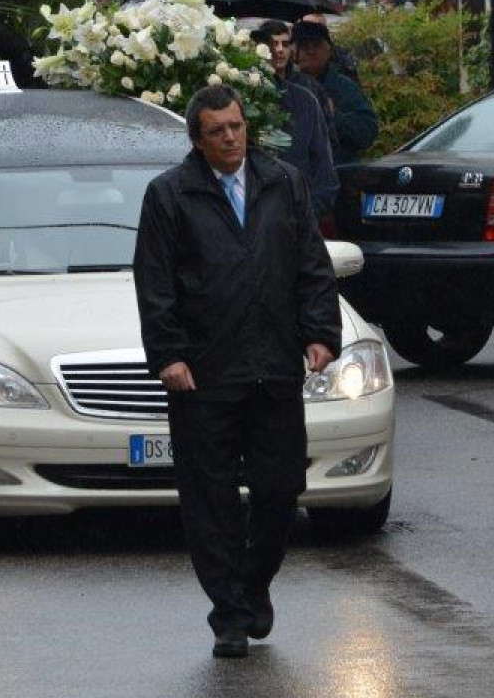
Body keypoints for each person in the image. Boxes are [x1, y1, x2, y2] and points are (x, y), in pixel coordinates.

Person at [132, 84, 341, 659]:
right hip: (204, 372)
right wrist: (169, 354)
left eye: (237, 126)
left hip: (273, 366)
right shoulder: (171, 195)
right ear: (198, 140)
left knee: (280, 489)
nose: (231, 138)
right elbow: (155, 283)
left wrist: (321, 333)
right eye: (218, 131)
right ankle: (228, 612)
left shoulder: (283, 183)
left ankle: (253, 585)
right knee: (210, 499)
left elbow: (311, 266)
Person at [251, 21, 337, 221]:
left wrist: (308, 213)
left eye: (285, 44)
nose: (278, 50)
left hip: (300, 211)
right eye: (273, 44)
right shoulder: (242, 98)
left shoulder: (306, 96)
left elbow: (324, 161)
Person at [291, 20, 379, 164]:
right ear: (294, 51)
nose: (311, 51)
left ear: (329, 50)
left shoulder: (344, 87)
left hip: (337, 171)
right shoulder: (288, 85)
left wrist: (334, 116)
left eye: (316, 45)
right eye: (305, 46)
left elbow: (367, 132)